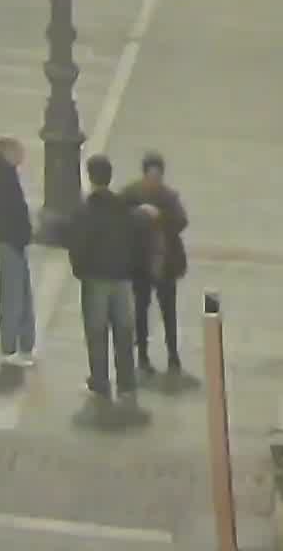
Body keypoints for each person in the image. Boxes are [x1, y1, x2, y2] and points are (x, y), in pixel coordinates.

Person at [70, 154, 143, 401]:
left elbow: (78, 245)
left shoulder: (85, 210)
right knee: (124, 331)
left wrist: (80, 270)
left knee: (96, 332)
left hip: (95, 278)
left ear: (90, 177)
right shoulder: (123, 209)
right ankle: (126, 383)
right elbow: (135, 239)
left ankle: (100, 381)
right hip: (122, 277)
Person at [127, 152, 192, 378]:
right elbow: (119, 218)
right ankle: (142, 356)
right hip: (140, 262)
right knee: (141, 310)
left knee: (168, 312)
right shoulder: (131, 194)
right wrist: (139, 214)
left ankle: (173, 355)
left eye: (158, 175)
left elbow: (181, 221)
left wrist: (160, 217)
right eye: (151, 175)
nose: (154, 180)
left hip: (165, 261)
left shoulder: (169, 197)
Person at [0, 136, 35, 368]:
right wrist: (23, 234)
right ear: (8, 153)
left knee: (19, 292)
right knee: (13, 295)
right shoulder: (3, 177)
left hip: (10, 240)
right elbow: (11, 212)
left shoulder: (1, 175)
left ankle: (22, 345)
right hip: (10, 241)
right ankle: (11, 347)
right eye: (19, 151)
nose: (22, 156)